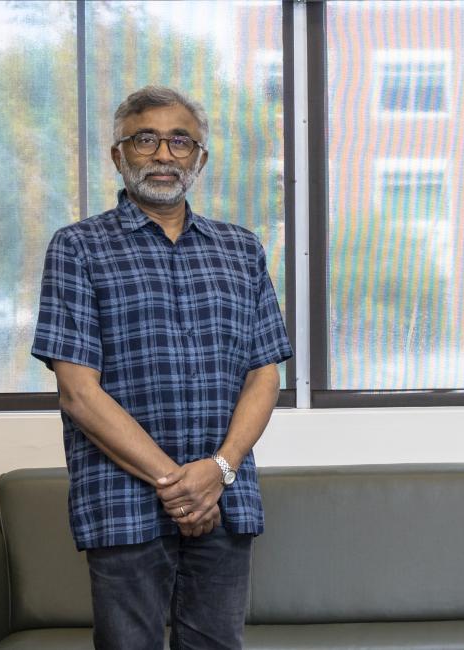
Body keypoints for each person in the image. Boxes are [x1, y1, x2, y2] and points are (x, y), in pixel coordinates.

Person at [31, 86, 292, 650]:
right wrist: (177, 484)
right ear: (119, 155)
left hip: (226, 496)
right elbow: (78, 393)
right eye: (145, 139)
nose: (164, 155)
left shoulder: (241, 249)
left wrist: (218, 471)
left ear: (200, 158)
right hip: (121, 499)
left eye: (181, 141)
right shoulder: (78, 248)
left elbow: (264, 374)